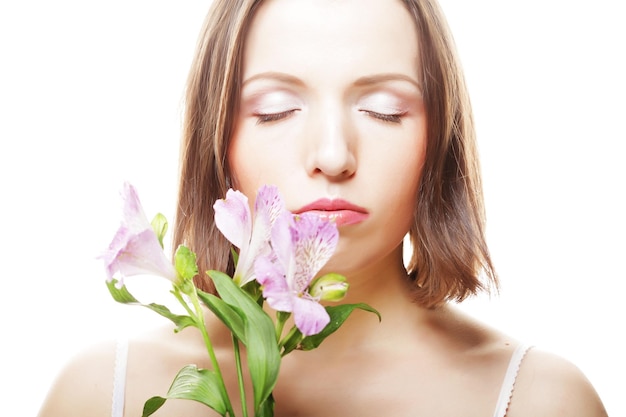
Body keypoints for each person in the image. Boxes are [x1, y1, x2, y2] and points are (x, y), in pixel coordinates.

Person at [37, 0, 608, 416]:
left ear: (440, 139)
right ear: (217, 140)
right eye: (277, 109)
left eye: (384, 110)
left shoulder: (540, 399)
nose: (332, 156)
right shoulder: (101, 392)